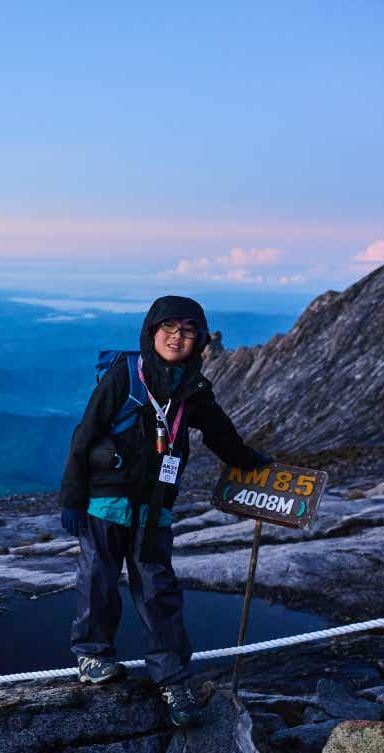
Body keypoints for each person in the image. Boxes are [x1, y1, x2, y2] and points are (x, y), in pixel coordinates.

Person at [58, 295, 270, 726]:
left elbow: (219, 435)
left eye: (188, 331)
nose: (177, 338)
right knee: (98, 578)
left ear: (200, 340)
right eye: (169, 328)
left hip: (155, 507)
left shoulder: (193, 389)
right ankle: (92, 657)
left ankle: (172, 679)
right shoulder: (123, 376)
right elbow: (85, 435)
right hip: (106, 502)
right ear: (151, 331)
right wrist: (71, 500)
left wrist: (248, 460)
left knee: (158, 592)